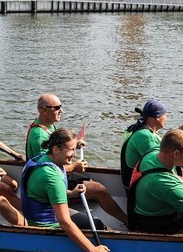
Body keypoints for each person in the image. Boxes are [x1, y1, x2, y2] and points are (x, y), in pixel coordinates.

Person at [26, 93, 127, 224]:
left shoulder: (47, 124)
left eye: (61, 107)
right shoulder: (39, 135)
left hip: (59, 173)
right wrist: (74, 167)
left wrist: (75, 143)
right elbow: (44, 168)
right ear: (44, 110)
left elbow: (56, 146)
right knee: (99, 190)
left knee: (93, 183)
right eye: (56, 108)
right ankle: (127, 221)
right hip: (47, 183)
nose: (61, 110)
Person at [21, 129, 111, 252]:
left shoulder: (42, 158)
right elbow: (64, 222)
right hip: (47, 226)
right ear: (56, 149)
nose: (75, 155)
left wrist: (72, 193)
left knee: (96, 222)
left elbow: (46, 195)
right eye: (72, 150)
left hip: (46, 212)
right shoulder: (52, 176)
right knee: (97, 225)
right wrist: (93, 250)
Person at [120, 99, 183, 189]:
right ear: (158, 117)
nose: (166, 118)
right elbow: (160, 165)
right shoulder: (146, 137)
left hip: (144, 181)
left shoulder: (143, 131)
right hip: (138, 188)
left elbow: (174, 139)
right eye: (166, 115)